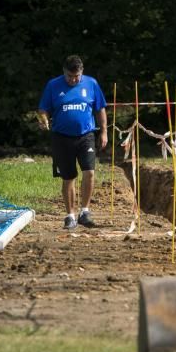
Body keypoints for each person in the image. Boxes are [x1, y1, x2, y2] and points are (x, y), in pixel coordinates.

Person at [37, 55, 108, 230]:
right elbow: (43, 109)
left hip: (86, 135)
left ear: (82, 72)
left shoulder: (91, 84)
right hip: (61, 137)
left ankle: (85, 212)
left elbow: (100, 109)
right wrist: (43, 119)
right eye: (70, 76)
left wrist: (104, 132)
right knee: (68, 177)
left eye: (77, 76)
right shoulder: (53, 85)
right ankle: (70, 216)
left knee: (89, 172)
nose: (73, 80)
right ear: (64, 72)